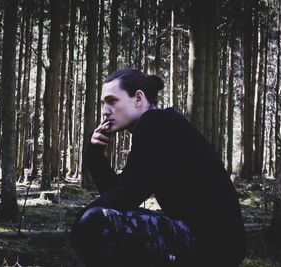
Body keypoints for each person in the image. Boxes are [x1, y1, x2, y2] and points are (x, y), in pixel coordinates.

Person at [70, 69, 246, 266]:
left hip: (212, 246)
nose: (105, 110)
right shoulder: (161, 125)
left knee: (93, 223)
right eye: (103, 103)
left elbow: (123, 197)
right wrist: (94, 156)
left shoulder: (156, 123)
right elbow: (119, 200)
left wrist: (78, 225)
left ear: (138, 98)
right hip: (210, 241)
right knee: (95, 222)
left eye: (112, 101)